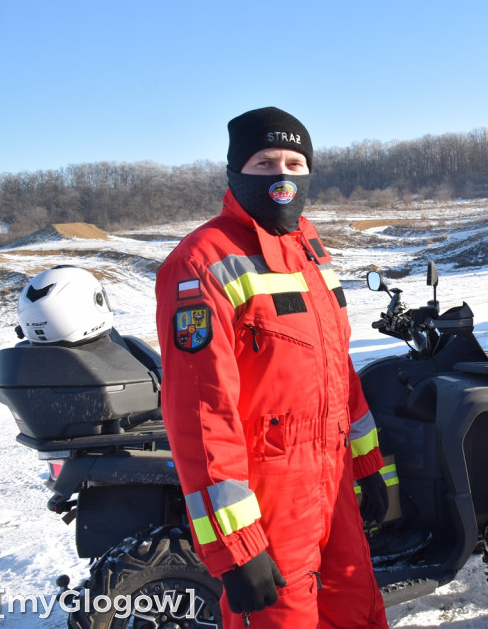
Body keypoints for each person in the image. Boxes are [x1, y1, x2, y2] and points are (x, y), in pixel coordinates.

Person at [155, 107, 389, 628]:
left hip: (333, 489)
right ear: (237, 171)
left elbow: (338, 373)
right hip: (268, 502)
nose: (282, 176)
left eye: (294, 161)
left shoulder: (310, 250)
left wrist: (367, 463)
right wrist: (236, 545)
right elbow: (199, 417)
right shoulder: (200, 263)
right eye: (265, 162)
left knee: (357, 611)